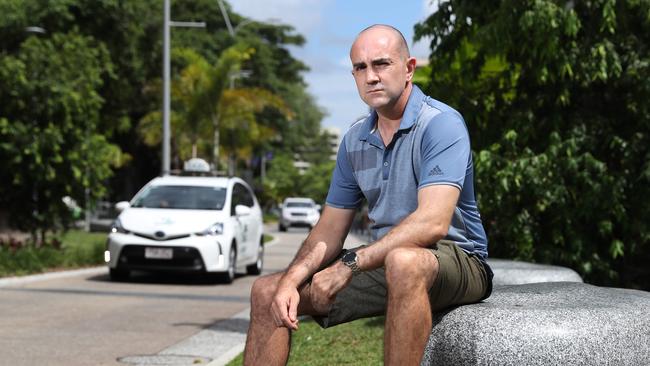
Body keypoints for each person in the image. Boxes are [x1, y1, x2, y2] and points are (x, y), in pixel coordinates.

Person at [243, 24, 493, 365]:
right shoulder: (354, 140)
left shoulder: (440, 124)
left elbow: (432, 223)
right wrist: (291, 281)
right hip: (384, 261)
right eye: (360, 68)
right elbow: (329, 230)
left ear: (408, 69)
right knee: (267, 291)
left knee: (403, 261)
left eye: (381, 64)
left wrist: (350, 263)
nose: (370, 76)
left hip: (458, 259)